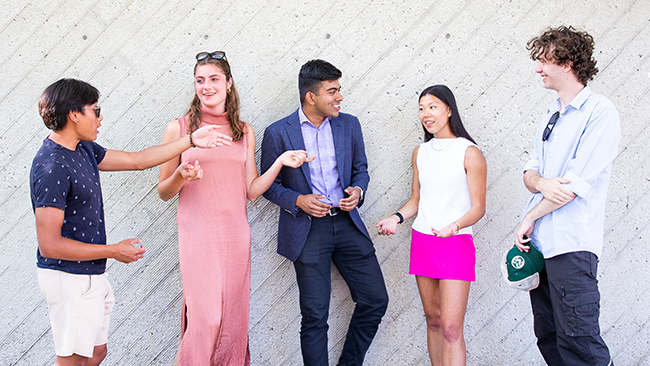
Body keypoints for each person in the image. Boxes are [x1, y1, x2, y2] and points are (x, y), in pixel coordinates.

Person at [31, 78, 229, 366]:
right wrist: (113, 250)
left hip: (90, 272)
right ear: (74, 114)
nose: (101, 117)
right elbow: (50, 245)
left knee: (97, 353)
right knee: (73, 360)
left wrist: (191, 140)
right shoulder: (52, 166)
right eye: (95, 110)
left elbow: (137, 160)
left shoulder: (83, 148)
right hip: (67, 278)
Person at [157, 51, 311, 366]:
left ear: (228, 84)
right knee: (207, 319)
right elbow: (163, 191)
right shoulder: (179, 129)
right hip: (198, 235)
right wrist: (181, 175)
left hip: (235, 237)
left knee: (231, 322)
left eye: (214, 79)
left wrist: (280, 162)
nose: (206, 86)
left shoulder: (244, 131)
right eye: (200, 80)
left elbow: (251, 191)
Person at [260, 59, 389, 366]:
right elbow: (267, 185)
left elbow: (361, 170)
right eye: (332, 91)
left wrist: (357, 191)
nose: (339, 97)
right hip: (307, 230)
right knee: (315, 316)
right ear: (311, 97)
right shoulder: (278, 132)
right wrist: (299, 200)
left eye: (339, 90)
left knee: (375, 299)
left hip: (346, 223)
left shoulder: (350, 125)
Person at [515, 26, 619, 366]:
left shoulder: (598, 112)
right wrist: (542, 183)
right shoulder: (551, 113)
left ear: (569, 62)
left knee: (580, 343)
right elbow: (530, 172)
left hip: (572, 246)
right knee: (550, 338)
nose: (538, 68)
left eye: (544, 60)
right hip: (543, 247)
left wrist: (530, 216)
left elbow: (572, 188)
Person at [376, 85, 486, 366]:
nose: (426, 114)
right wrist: (396, 218)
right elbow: (416, 199)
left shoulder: (469, 152)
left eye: (433, 107)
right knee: (433, 320)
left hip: (455, 242)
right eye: (422, 108)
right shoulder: (420, 152)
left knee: (451, 327)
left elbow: (478, 207)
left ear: (449, 110)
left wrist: (455, 225)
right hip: (423, 241)